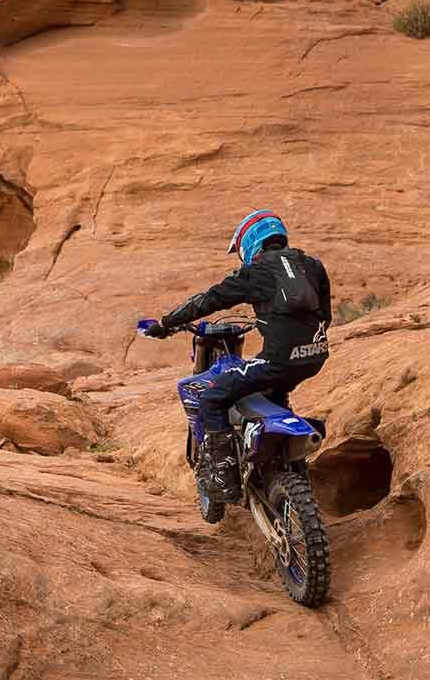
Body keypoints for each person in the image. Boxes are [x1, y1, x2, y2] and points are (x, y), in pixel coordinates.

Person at [138, 208, 331, 503]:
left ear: (249, 242)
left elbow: (208, 300)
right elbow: (325, 316)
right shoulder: (312, 265)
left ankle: (223, 479)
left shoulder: (255, 272)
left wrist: (166, 323)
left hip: (278, 361)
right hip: (315, 357)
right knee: (273, 389)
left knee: (212, 397)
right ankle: (281, 457)